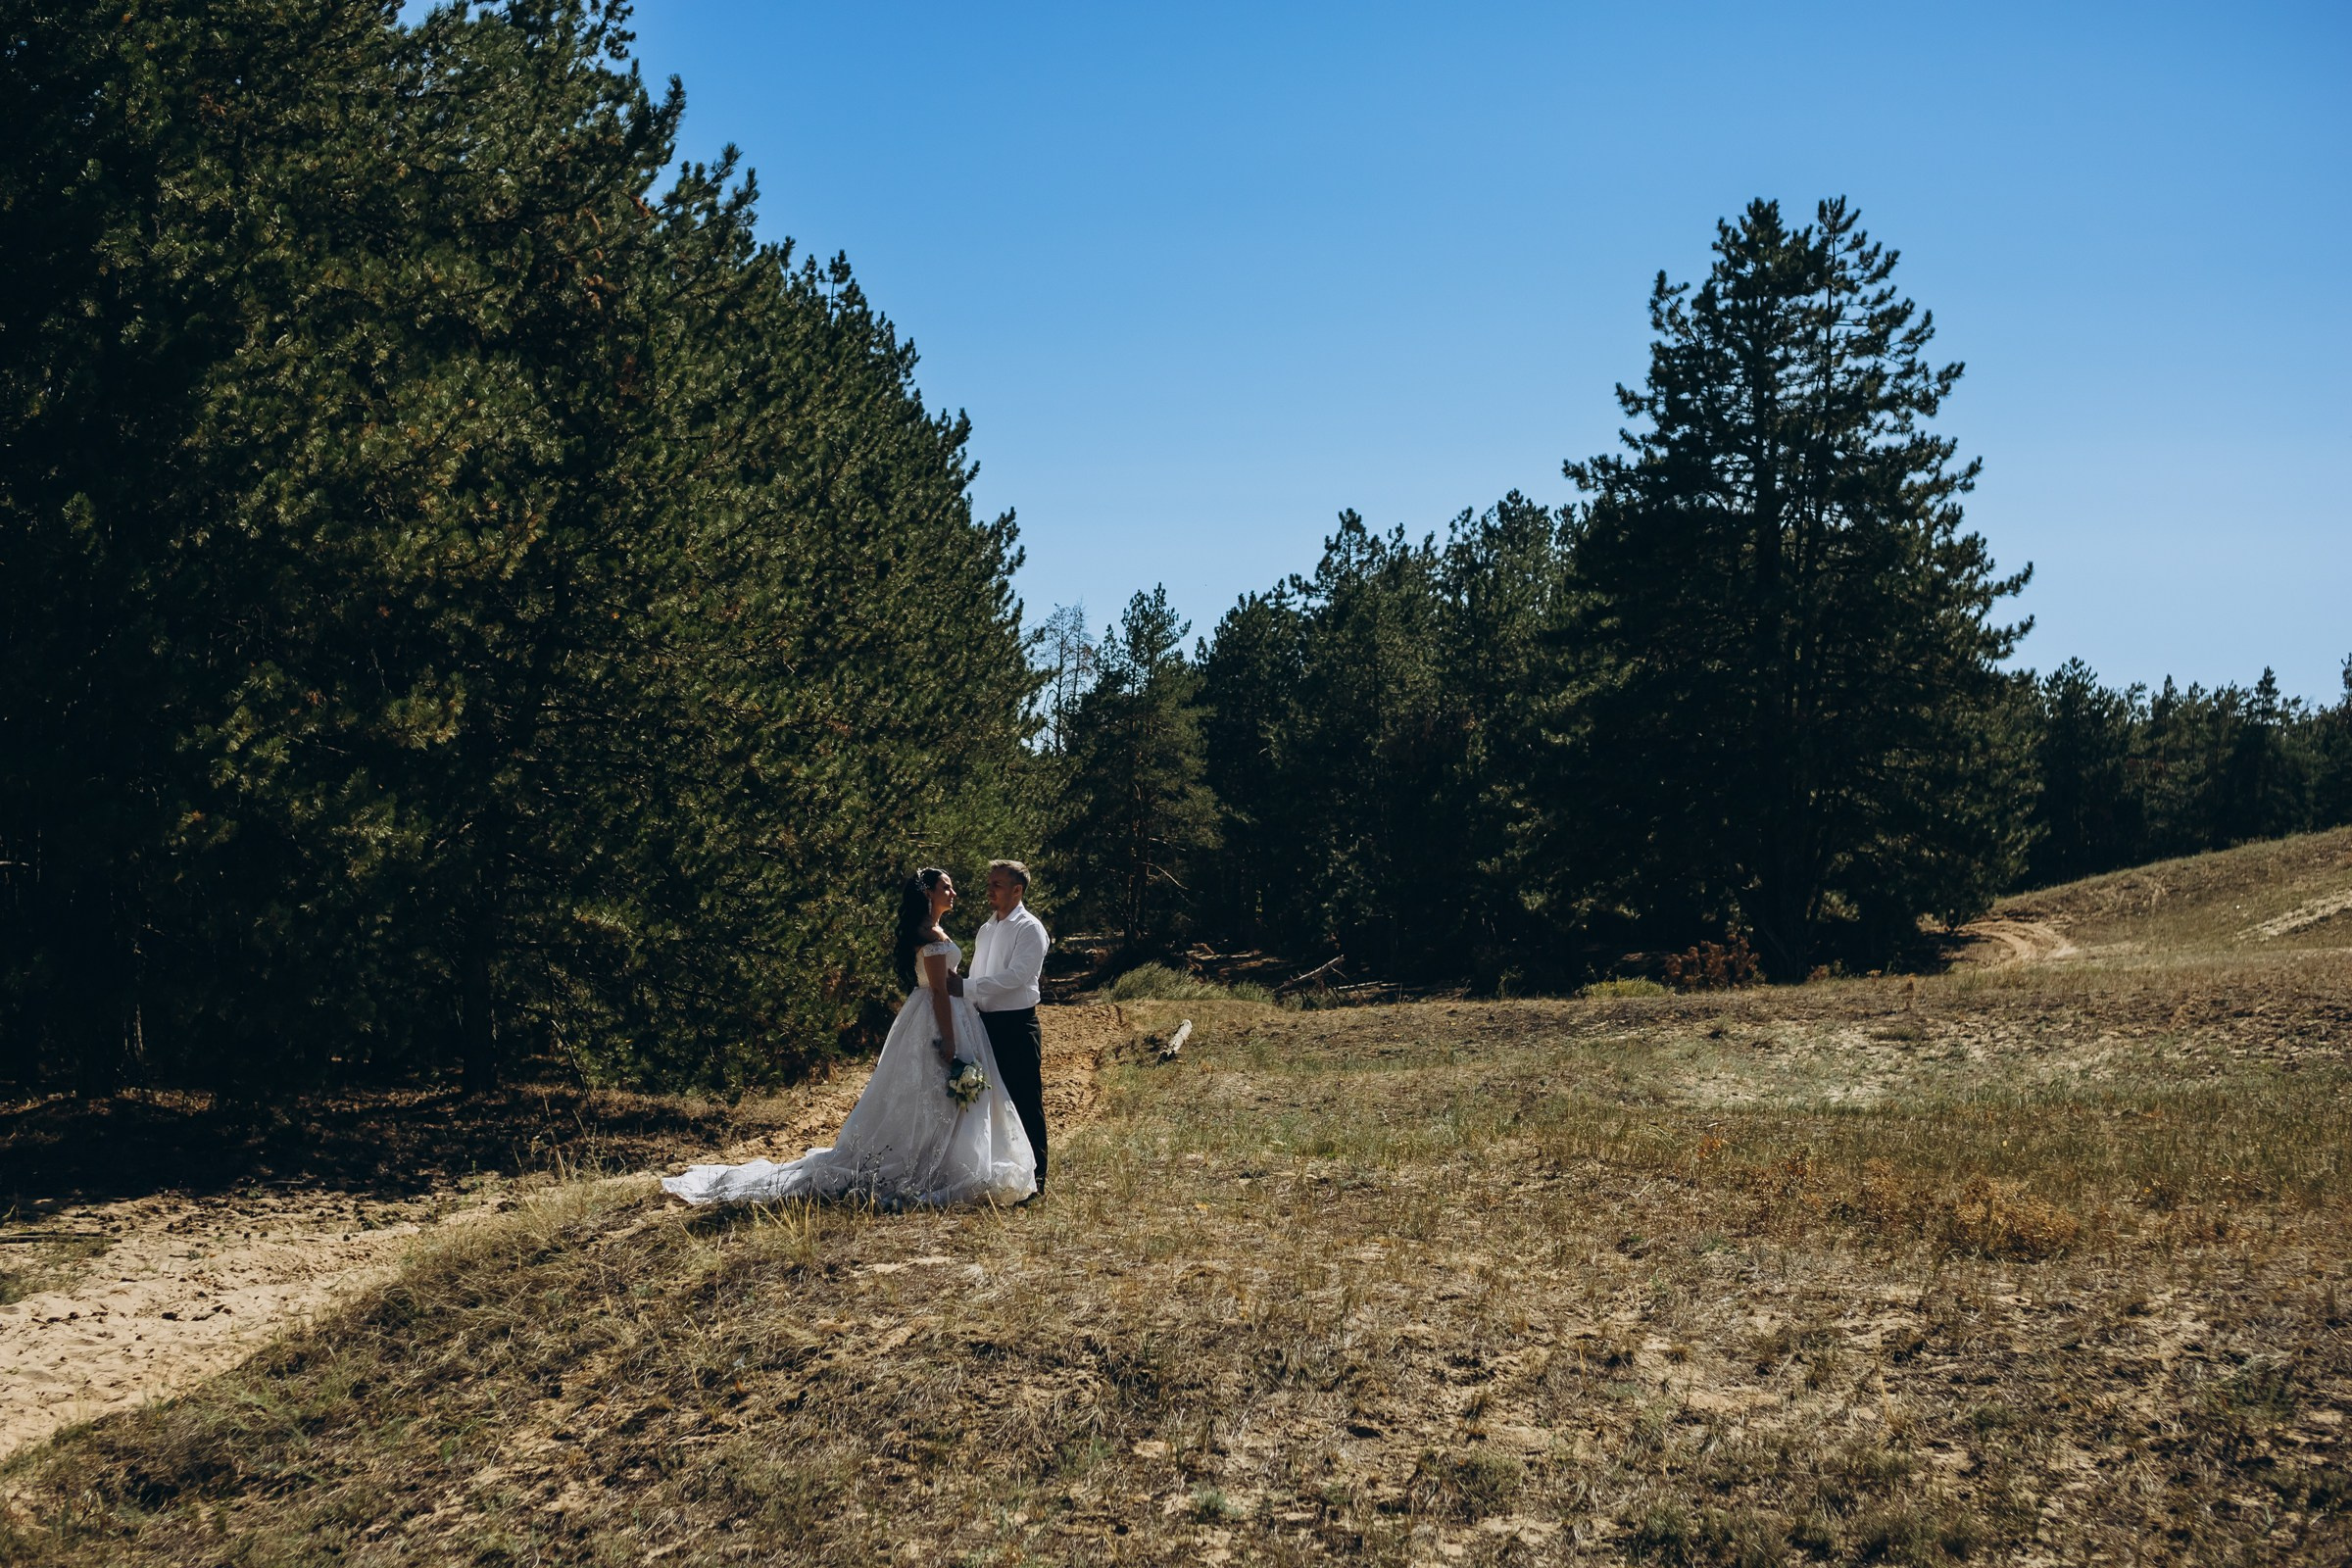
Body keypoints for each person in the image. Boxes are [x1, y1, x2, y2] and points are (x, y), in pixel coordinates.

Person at [661, 868, 1035, 1208]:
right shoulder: (932, 934)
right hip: (940, 1017)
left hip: (941, 1012)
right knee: (939, 1089)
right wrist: (950, 1042)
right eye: (946, 887)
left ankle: (941, 1157)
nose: (954, 892)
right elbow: (939, 992)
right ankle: (932, 1163)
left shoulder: (931, 929)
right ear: (928, 894)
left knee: (933, 1095)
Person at [949, 859, 1053, 1197]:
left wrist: (963, 988)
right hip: (985, 1025)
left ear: (1017, 890)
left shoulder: (1030, 928)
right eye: (990, 883)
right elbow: (980, 973)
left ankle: (1036, 1181)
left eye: (997, 884)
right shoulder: (987, 928)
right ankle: (1003, 1174)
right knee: (990, 1103)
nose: (989, 890)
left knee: (1024, 1101)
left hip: (1016, 1026)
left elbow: (1016, 977)